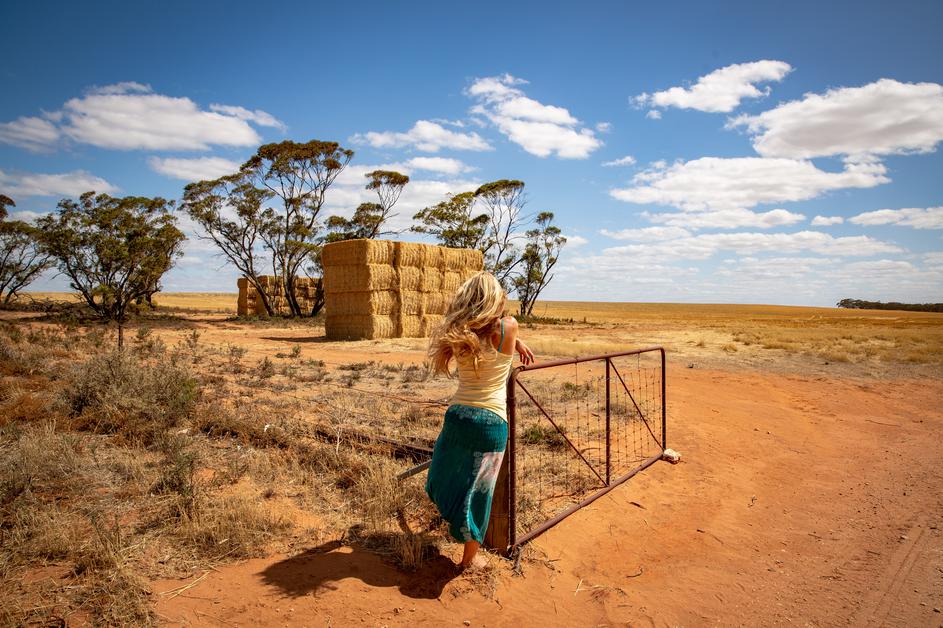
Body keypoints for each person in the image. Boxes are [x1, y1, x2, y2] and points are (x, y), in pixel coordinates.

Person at [425, 271, 534, 569]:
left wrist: (517, 341)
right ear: (495, 298)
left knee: (440, 480)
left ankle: (454, 519)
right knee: (479, 493)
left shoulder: (459, 331)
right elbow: (504, 328)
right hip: (490, 422)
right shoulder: (509, 327)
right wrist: (518, 342)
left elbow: (486, 330)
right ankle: (470, 560)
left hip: (458, 415)